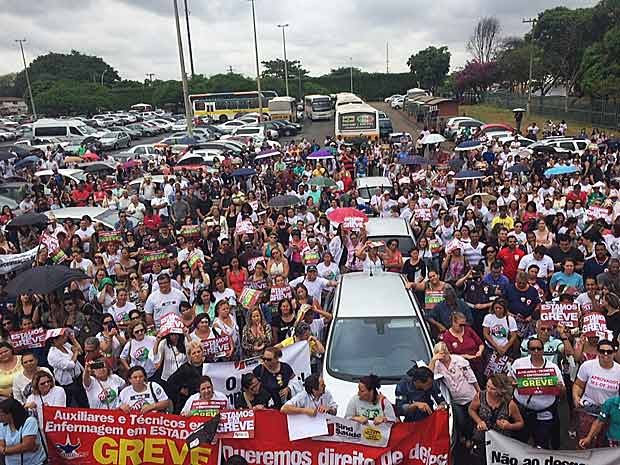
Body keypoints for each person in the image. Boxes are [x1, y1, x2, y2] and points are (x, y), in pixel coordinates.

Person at [510, 337, 565, 449]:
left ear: (543, 350)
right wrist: (513, 383)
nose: (536, 351)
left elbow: (563, 392)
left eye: (539, 349)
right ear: (528, 350)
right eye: (532, 348)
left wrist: (560, 388)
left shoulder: (553, 367)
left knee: (542, 444)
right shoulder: (518, 363)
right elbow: (509, 378)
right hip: (521, 411)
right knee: (518, 442)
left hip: (544, 414)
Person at [573, 339, 620, 448]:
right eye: (602, 351)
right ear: (598, 352)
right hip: (589, 409)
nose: (605, 354)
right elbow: (578, 385)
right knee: (584, 443)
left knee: (604, 446)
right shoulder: (587, 366)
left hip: (609, 413)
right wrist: (576, 397)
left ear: (614, 353)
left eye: (609, 352)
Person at [428, 343, 478, 443]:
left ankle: (471, 439)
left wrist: (479, 391)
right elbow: (428, 376)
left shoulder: (459, 360)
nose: (444, 357)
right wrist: (433, 360)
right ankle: (464, 438)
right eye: (441, 355)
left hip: (470, 396)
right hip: (456, 400)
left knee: (472, 419)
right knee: (461, 421)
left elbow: (471, 377)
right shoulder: (437, 365)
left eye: (445, 353)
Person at [468, 374, 524, 457]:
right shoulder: (480, 396)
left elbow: (520, 423)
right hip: (482, 438)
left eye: (493, 389)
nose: (488, 390)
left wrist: (509, 426)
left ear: (501, 390)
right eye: (487, 386)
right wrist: (479, 421)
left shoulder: (510, 403)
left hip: (500, 442)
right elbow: (471, 409)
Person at [0, 398, 47, 465]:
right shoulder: (2, 425)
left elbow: (27, 445)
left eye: (1, 415)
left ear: (10, 414)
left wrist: (5, 450)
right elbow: (1, 446)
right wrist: (22, 447)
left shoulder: (30, 421)